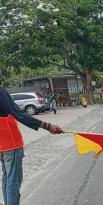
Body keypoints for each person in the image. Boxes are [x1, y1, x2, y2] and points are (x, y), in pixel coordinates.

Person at [0, 71, 64, 205]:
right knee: (13, 180)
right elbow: (19, 114)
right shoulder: (1, 92)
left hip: (2, 146)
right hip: (11, 144)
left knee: (7, 177)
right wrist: (47, 126)